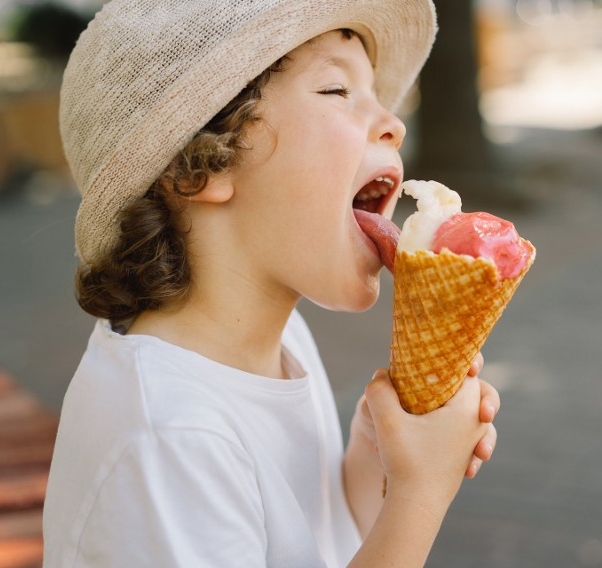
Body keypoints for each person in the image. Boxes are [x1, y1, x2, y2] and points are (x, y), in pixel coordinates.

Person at [43, 1, 501, 566]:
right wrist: (421, 495)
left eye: (379, 95)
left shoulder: (282, 343)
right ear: (199, 167)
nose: (394, 122)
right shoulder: (169, 435)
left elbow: (323, 540)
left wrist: (375, 457)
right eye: (336, 90)